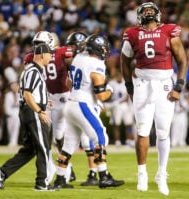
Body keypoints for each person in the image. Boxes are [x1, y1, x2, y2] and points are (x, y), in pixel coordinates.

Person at [120, 2, 187, 196]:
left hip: (165, 84)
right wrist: (129, 86)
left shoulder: (169, 31)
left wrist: (179, 87)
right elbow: (124, 61)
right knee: (142, 130)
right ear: (139, 15)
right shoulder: (132, 33)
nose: (148, 13)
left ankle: (161, 173)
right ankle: (142, 173)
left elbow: (182, 60)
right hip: (142, 83)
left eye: (151, 10)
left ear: (157, 15)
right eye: (145, 11)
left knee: (163, 131)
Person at [53, 34, 124, 189]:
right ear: (98, 49)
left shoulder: (78, 58)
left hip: (71, 103)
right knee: (101, 135)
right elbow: (101, 95)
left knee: (69, 144)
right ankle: (103, 176)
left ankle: (60, 179)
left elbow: (68, 82)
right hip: (82, 104)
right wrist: (110, 90)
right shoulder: (96, 63)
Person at [0, 43, 56, 191]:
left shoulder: (33, 70)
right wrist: (39, 110)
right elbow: (27, 94)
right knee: (43, 147)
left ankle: (2, 172)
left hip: (30, 110)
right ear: (42, 55)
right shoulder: (33, 71)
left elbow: (29, 93)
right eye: (50, 54)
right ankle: (41, 183)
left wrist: (43, 100)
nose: (51, 57)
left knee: (30, 149)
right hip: (32, 112)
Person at [25, 31, 76, 183]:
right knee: (50, 136)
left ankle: (67, 168)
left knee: (58, 136)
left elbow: (73, 65)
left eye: (39, 44)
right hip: (47, 99)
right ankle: (65, 168)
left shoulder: (62, 52)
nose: (37, 48)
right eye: (35, 45)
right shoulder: (31, 58)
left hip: (64, 97)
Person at [65, 31, 100, 186]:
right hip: (83, 101)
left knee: (88, 139)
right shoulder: (82, 59)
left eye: (73, 45)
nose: (70, 48)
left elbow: (69, 83)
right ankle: (95, 173)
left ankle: (97, 173)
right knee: (82, 140)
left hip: (88, 101)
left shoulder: (82, 60)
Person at [107, 69, 135, 147]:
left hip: (125, 105)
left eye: (120, 75)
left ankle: (129, 140)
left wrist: (120, 101)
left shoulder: (125, 82)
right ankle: (117, 141)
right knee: (116, 124)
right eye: (117, 75)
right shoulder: (111, 83)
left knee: (128, 124)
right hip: (116, 106)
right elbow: (108, 94)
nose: (119, 77)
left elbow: (127, 95)